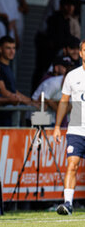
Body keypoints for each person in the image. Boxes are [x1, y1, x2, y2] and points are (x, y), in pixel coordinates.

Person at [53, 39, 85, 215]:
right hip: (76, 129)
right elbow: (64, 102)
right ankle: (68, 203)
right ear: (80, 53)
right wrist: (58, 126)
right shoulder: (72, 76)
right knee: (72, 164)